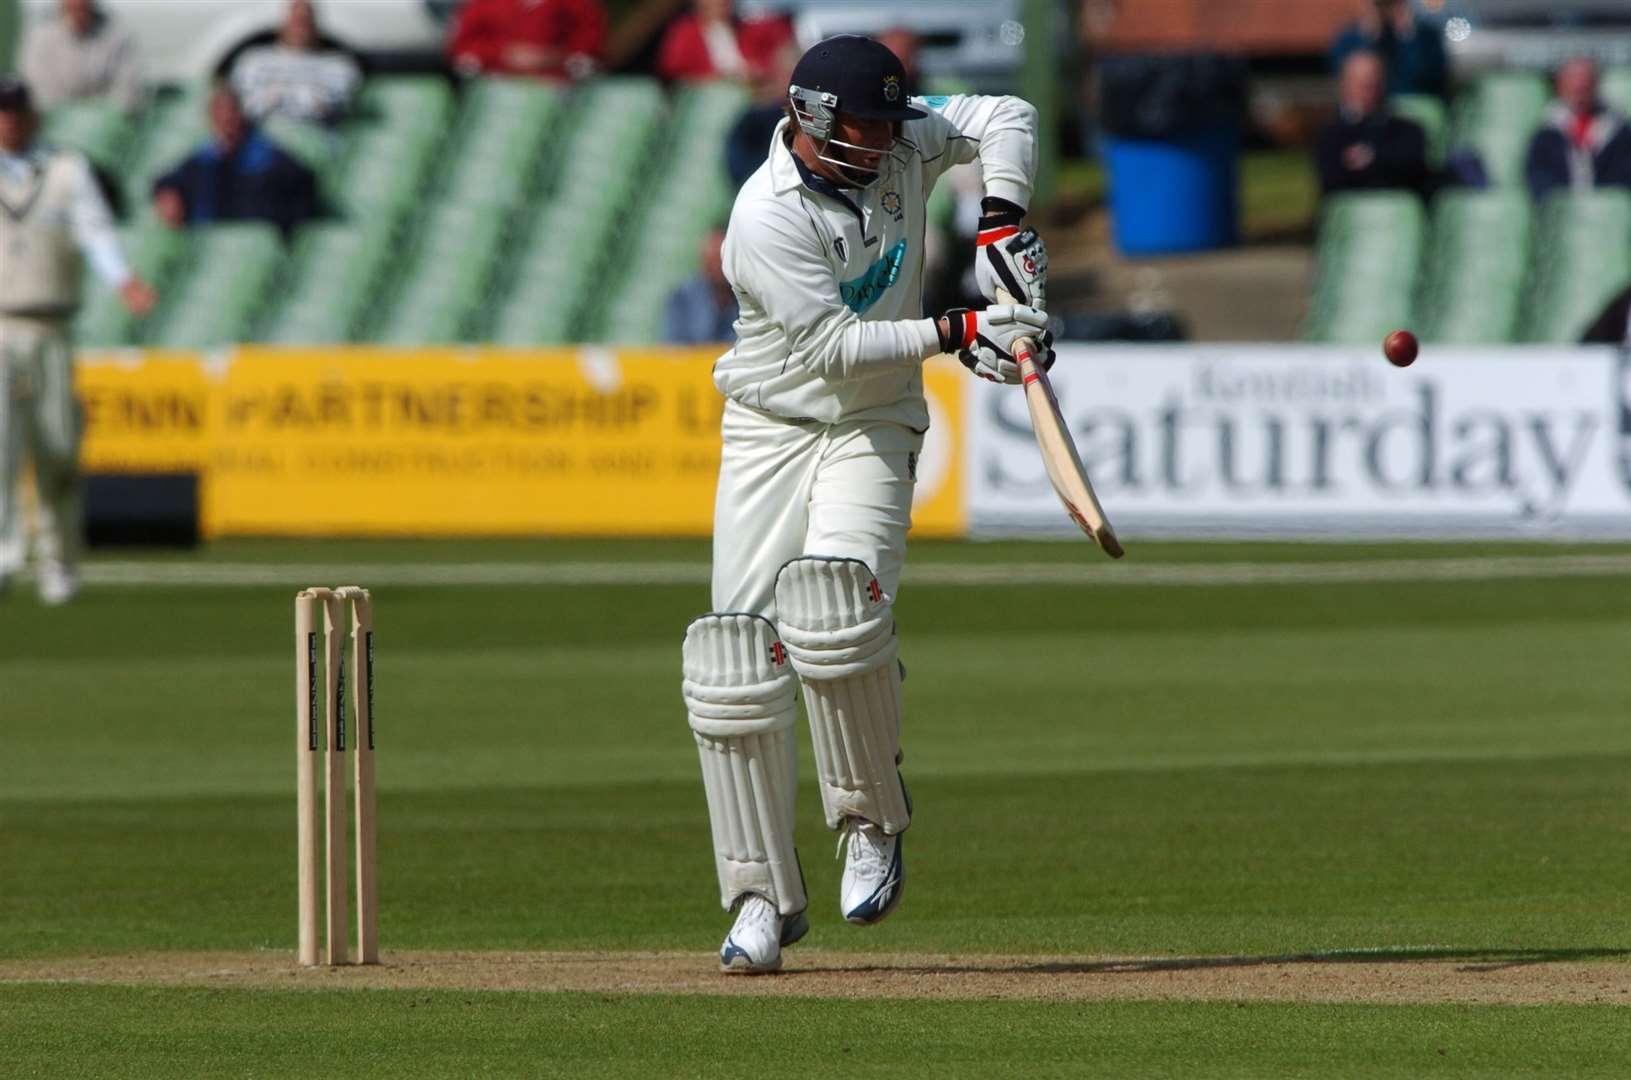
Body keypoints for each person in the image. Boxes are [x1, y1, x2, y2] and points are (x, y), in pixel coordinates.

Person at [681, 34, 1052, 974]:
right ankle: (761, 895)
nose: (886, 140)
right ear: (810, 119)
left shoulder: (904, 143)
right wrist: (964, 328)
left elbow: (1008, 115)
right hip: (771, 427)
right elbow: (832, 351)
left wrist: (1001, 223)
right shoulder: (763, 216)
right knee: (734, 660)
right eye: (865, 122)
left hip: (872, 426)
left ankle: (868, 823)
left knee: (835, 604)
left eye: (893, 119)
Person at [0, 78, 156, 603]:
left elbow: (96, 231)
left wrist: (124, 279)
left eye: (15, 111)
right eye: (0, 113)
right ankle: (3, 554)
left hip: (51, 326)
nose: (8, 122)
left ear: (32, 115)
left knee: (58, 446)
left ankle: (58, 561)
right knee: (0, 447)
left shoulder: (66, 171)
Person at [150, 86, 321, 236]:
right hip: (207, 244)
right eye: (219, 116)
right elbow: (169, 181)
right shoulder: (203, 159)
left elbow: (302, 194)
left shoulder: (270, 159)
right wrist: (168, 193)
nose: (226, 123)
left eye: (230, 114)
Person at [1314, 50, 1431, 199]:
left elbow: (1413, 171)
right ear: (1345, 84)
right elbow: (1332, 179)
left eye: (1373, 82)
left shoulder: (1409, 132)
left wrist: (1370, 159)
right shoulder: (1328, 134)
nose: (1368, 91)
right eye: (1361, 83)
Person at [230, 0, 362, 128]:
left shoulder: (338, 66)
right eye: (295, 20)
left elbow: (332, 111)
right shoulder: (253, 61)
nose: (300, 27)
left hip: (314, 140)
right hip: (264, 139)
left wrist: (277, 94)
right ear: (283, 22)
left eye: (305, 21)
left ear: (316, 24)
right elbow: (242, 108)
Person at [1525, 57, 1631, 204]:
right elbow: (1538, 180)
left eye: (1586, 83)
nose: (1580, 87)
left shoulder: (1620, 130)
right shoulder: (1546, 133)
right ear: (1560, 86)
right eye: (1574, 83)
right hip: (1563, 215)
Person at [19, 0, 144, 114]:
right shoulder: (40, 38)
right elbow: (39, 89)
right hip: (55, 122)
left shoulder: (118, 36)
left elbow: (127, 89)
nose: (78, 4)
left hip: (106, 123)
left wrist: (98, 112)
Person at [448, 0, 606, 81]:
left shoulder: (572, 3)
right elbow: (462, 47)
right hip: (498, 85)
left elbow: (589, 43)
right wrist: (502, 54)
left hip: (555, 86)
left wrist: (554, 57)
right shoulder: (485, 4)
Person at [1330, 0, 1447, 99]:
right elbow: (1346, 78)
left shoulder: (1427, 36)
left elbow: (1422, 78)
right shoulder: (1349, 38)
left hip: (1410, 102)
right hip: (1367, 105)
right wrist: (1368, 35)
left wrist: (1407, 34)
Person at [655, 0, 792, 83]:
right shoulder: (684, 32)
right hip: (709, 95)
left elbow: (777, 52)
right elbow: (674, 72)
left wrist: (755, 72)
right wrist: (717, 79)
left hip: (751, 90)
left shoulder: (746, 29)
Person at [663, 229, 738, 344]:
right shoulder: (683, 298)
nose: (717, 267)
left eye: (721, 261)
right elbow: (674, 347)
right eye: (712, 260)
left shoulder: (746, 297)